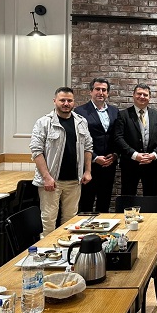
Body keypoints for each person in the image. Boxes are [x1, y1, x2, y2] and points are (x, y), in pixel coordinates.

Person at [29, 87, 93, 235]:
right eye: (62, 100)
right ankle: (47, 248)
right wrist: (46, 177)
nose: (66, 103)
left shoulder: (81, 122)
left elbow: (88, 147)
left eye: (69, 100)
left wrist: (88, 171)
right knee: (49, 221)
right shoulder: (44, 123)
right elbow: (36, 151)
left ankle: (66, 249)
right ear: (55, 101)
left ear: (73, 102)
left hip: (75, 181)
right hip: (52, 182)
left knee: (70, 222)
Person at [75, 77, 119, 213]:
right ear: (91, 91)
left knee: (105, 202)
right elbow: (79, 140)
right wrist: (95, 158)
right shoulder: (80, 112)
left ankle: (103, 227)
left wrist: (115, 155)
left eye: (104, 90)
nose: (101, 92)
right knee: (86, 202)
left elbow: (117, 136)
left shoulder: (114, 111)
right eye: (97, 89)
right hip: (89, 165)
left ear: (108, 93)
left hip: (109, 165)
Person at [114, 83, 157, 196]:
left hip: (152, 164)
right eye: (139, 94)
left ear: (149, 97)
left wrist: (154, 154)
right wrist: (135, 155)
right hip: (129, 164)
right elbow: (118, 137)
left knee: (150, 197)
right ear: (133, 95)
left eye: (145, 95)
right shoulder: (123, 115)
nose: (142, 96)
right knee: (128, 197)